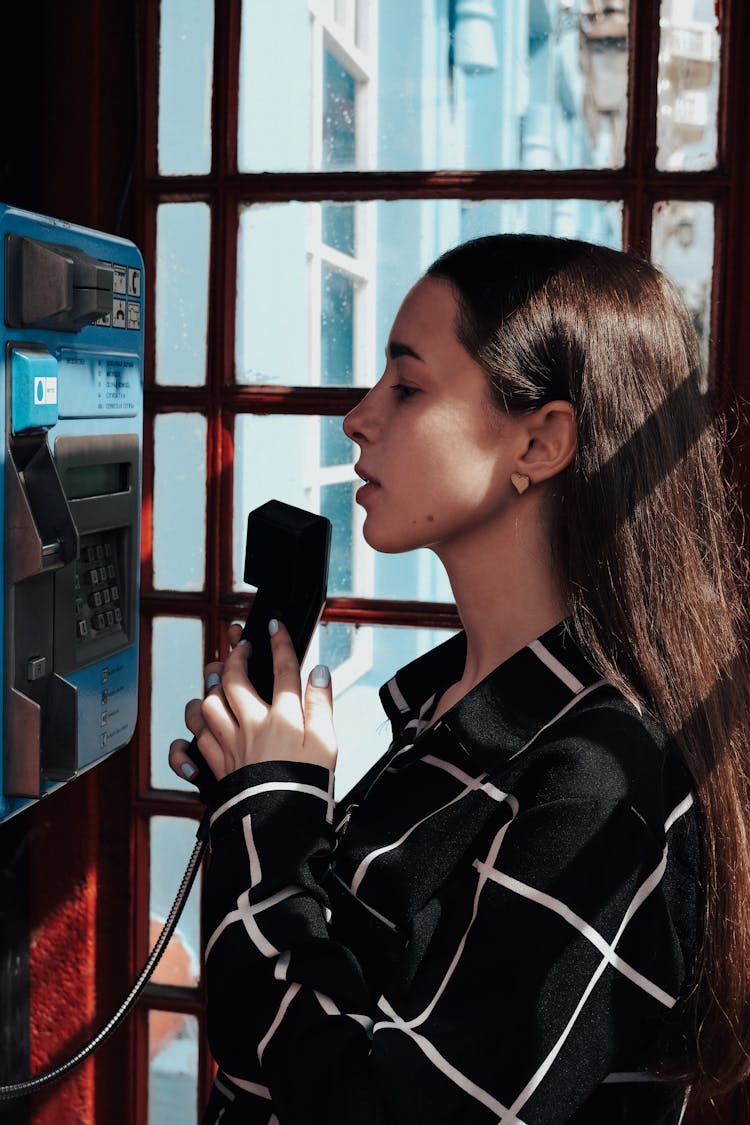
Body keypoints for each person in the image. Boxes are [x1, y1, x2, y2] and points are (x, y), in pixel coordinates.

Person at [169, 234, 750, 1124]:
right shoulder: (447, 702)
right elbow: (307, 1008)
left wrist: (271, 813)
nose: (357, 417)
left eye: (406, 387)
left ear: (543, 440)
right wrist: (254, 796)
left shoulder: (601, 783)